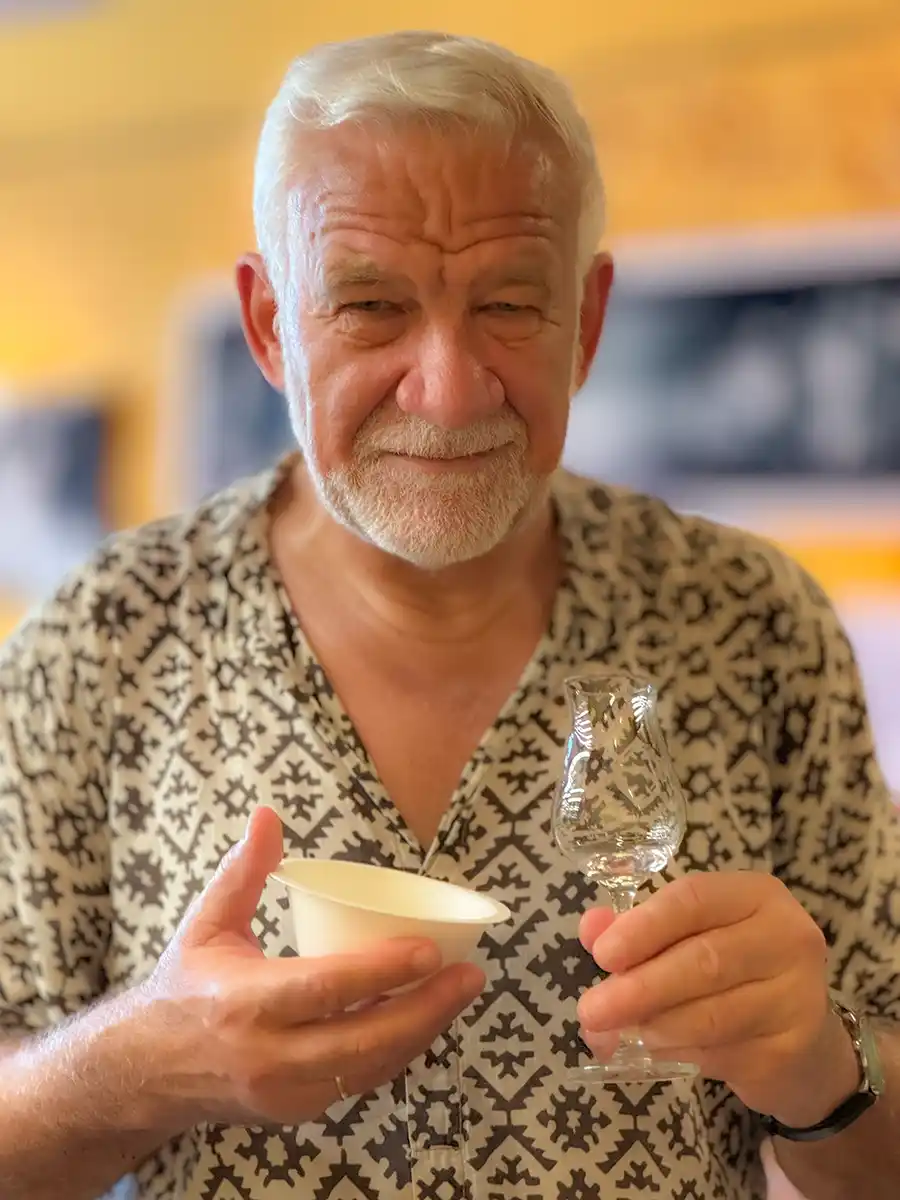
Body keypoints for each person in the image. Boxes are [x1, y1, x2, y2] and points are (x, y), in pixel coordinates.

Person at [0, 30, 897, 1200]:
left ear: (587, 318)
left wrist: (823, 1067)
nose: (451, 388)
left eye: (510, 305)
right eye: (371, 305)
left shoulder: (749, 622)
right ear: (270, 327)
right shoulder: (99, 642)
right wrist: (137, 1069)